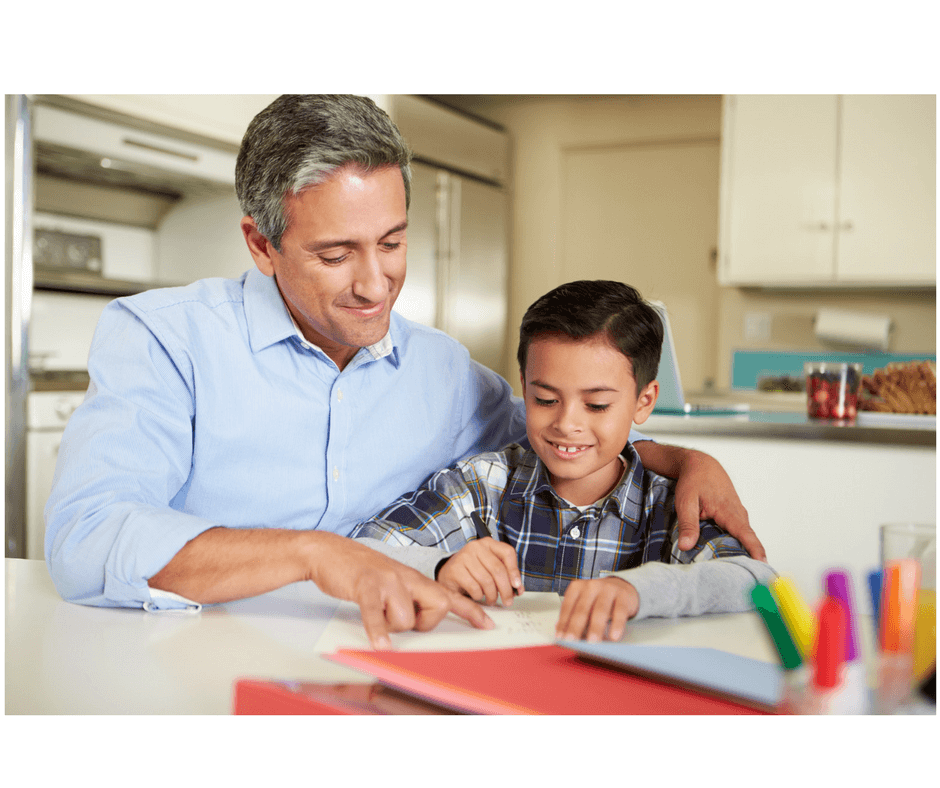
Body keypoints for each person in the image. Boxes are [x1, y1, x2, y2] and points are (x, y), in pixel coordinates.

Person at [44, 94, 763, 651]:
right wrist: (314, 555)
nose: (375, 283)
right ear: (261, 245)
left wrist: (685, 460)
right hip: (190, 661)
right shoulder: (164, 338)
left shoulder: (443, 372)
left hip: (383, 660)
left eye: (391, 242)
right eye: (336, 254)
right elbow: (87, 538)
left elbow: (559, 438)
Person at [353, 280, 777, 641]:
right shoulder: (485, 485)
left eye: (596, 405)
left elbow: (757, 580)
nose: (566, 424)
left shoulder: (666, 506)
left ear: (643, 402)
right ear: (524, 386)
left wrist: (642, 590)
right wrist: (440, 565)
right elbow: (361, 548)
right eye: (545, 399)